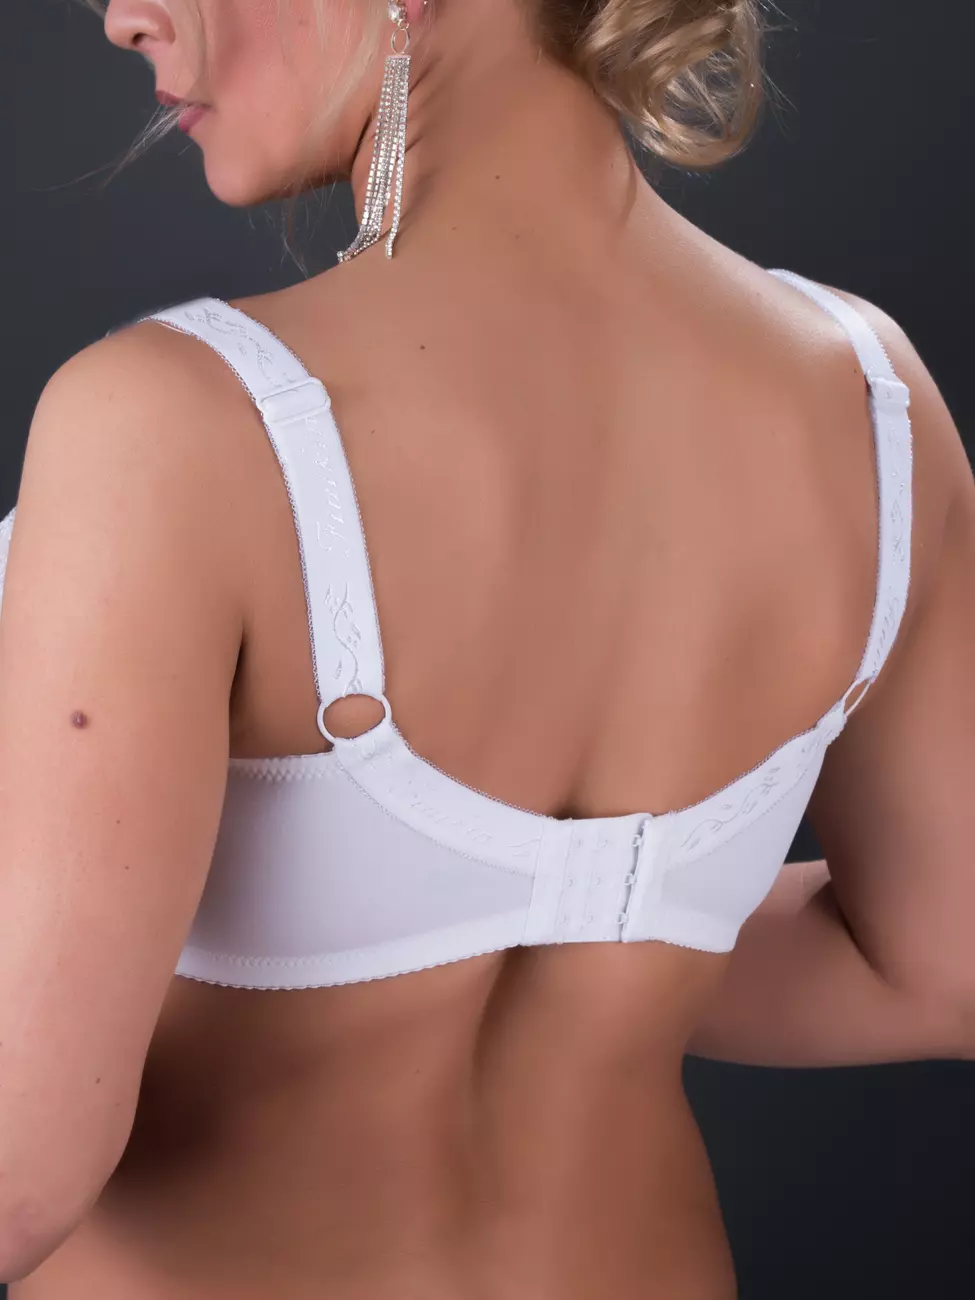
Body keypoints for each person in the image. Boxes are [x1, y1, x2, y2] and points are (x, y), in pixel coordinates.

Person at [1, 1, 973, 1296]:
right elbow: (936, 973)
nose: (125, 17)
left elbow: (22, 1169)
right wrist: (616, 951)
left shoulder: (174, 425)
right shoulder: (870, 400)